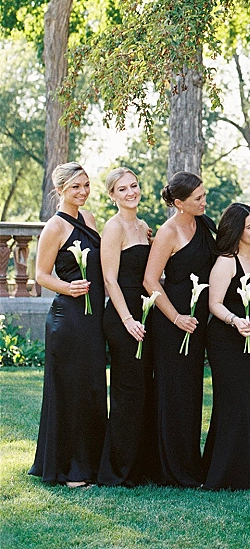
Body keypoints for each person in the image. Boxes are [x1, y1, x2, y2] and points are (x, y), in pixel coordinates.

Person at [29, 162, 106, 487]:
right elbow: (41, 274)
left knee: (91, 388)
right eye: (76, 187)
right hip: (68, 318)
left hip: (92, 318)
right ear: (60, 189)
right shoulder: (55, 227)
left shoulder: (88, 219)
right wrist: (69, 287)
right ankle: (70, 469)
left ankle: (91, 463)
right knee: (71, 391)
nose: (83, 192)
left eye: (86, 185)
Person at [143, 172, 216, 487]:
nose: (204, 201)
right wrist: (176, 318)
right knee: (174, 394)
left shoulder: (205, 224)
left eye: (203, 195)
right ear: (178, 203)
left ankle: (190, 464)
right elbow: (150, 281)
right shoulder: (168, 232)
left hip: (197, 323)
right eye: (198, 198)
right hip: (173, 324)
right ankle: (172, 470)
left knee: (191, 394)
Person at [202, 203, 250, 490]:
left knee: (248, 398)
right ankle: (225, 473)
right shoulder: (227, 261)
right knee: (232, 401)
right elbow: (213, 303)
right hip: (226, 338)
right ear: (236, 230)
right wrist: (235, 321)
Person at [97, 167, 156, 486]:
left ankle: (139, 465)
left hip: (145, 313)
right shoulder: (114, 227)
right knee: (126, 391)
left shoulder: (143, 226)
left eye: (134, 185)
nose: (131, 192)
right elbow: (109, 279)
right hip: (124, 317)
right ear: (112, 196)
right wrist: (127, 319)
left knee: (142, 389)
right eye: (122, 189)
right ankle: (117, 470)